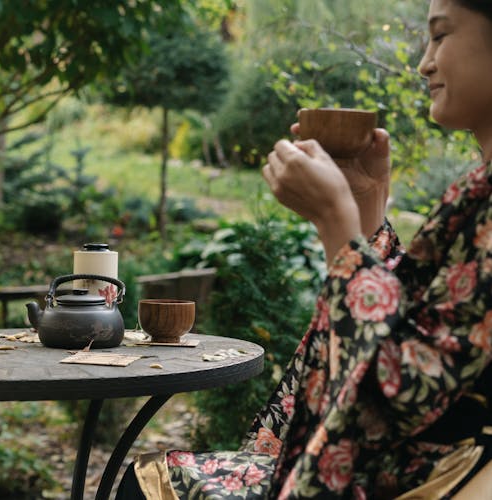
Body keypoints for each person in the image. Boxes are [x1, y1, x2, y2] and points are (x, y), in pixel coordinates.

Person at [116, 0, 492, 497]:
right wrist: (367, 211)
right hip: (410, 465)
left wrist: (336, 225)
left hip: (425, 478)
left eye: (441, 36)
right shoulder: (478, 187)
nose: (424, 62)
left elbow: (403, 385)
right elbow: (433, 325)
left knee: (147, 486)